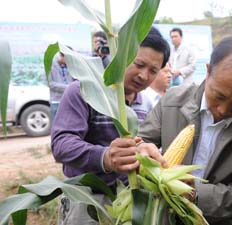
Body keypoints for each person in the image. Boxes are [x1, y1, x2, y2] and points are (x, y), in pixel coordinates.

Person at [138, 35, 232, 225]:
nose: (223, 110)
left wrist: (195, 192)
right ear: (208, 71)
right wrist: (140, 151)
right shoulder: (172, 101)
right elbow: (143, 142)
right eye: (219, 95)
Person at [51, 27, 170, 224]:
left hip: (130, 202)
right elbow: (61, 145)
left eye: (153, 71)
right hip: (88, 200)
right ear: (121, 56)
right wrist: (105, 157)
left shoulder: (147, 104)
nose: (143, 76)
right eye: (139, 64)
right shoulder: (82, 92)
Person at [49, 51, 74, 120]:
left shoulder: (70, 67)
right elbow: (51, 84)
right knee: (56, 123)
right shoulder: (50, 66)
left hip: (69, 100)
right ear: (61, 56)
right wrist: (69, 87)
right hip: (56, 101)